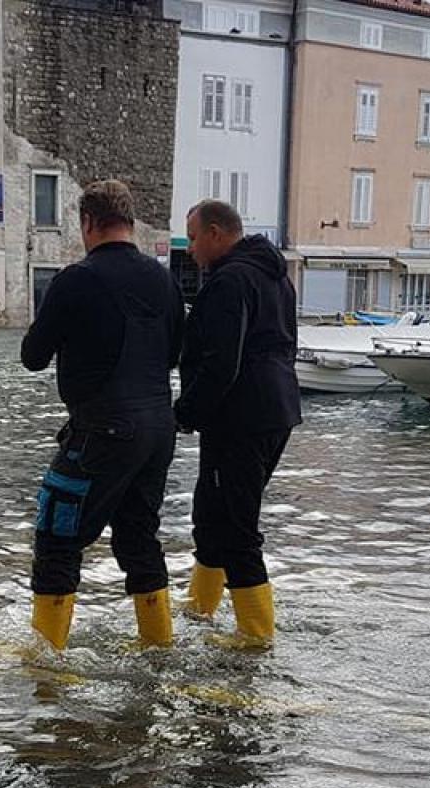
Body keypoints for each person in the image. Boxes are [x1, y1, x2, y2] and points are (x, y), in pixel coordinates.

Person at [20, 180, 184, 650]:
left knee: (56, 538)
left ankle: (44, 664)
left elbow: (33, 355)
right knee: (138, 538)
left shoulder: (76, 279)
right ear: (129, 223)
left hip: (101, 431)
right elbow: (174, 354)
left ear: (87, 223)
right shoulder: (165, 280)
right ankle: (158, 648)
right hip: (158, 429)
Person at [175, 199, 300, 646]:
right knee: (211, 512)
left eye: (192, 238)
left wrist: (184, 413)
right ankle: (201, 607)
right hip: (275, 410)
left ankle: (255, 632)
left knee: (234, 522)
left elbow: (221, 361)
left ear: (215, 233)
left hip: (240, 416)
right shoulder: (276, 278)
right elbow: (287, 347)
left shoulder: (230, 280)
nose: (190, 250)